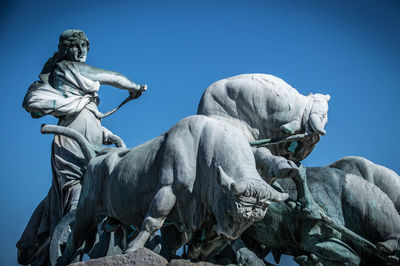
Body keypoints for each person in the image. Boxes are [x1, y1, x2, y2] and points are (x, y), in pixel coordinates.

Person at [17, 29, 147, 265]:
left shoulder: (79, 92)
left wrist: (106, 134)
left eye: (84, 47)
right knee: (76, 189)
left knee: (99, 184)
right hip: (71, 142)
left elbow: (90, 116)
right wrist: (134, 86)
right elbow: (112, 76)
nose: (81, 52)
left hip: (91, 140)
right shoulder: (68, 68)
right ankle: (71, 236)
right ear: (66, 50)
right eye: (76, 47)